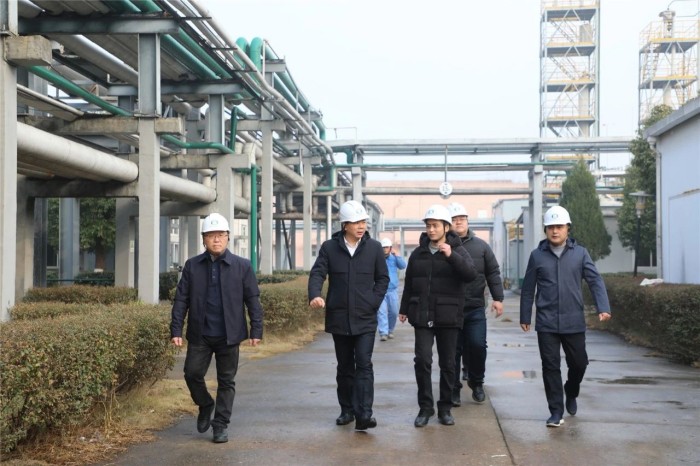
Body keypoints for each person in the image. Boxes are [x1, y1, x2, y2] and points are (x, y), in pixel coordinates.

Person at [170, 213, 263, 444]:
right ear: (204, 239)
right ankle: (205, 404)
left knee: (226, 381)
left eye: (220, 235)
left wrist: (256, 330)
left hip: (229, 335)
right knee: (192, 374)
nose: (216, 239)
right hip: (200, 333)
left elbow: (252, 299)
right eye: (211, 235)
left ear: (228, 237)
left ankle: (220, 425)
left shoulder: (242, 266)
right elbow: (181, 299)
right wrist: (176, 330)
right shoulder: (192, 266)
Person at [519, 205, 611, 428]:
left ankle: (571, 389)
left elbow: (595, 280)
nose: (555, 231)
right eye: (551, 227)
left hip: (573, 320)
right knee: (550, 366)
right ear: (545, 230)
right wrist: (525, 316)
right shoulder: (537, 256)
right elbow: (528, 288)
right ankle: (555, 411)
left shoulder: (580, 254)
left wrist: (603, 306)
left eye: (559, 226)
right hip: (547, 322)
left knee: (579, 363)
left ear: (568, 228)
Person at [308, 200, 389, 431]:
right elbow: (318, 273)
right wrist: (315, 294)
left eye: (363, 222)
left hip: (365, 317)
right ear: (345, 225)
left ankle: (364, 414)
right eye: (356, 222)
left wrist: (373, 302)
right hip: (339, 317)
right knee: (344, 367)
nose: (361, 226)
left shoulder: (374, 248)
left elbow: (383, 279)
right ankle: (347, 410)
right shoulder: (329, 248)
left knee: (364, 364)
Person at [398, 204, 477, 427]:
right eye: (428, 226)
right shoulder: (418, 253)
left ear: (446, 227)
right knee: (422, 360)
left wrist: (451, 256)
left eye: (435, 226)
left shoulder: (458, 250)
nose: (431, 230)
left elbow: (470, 274)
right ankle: (425, 408)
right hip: (422, 314)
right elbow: (410, 283)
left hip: (448, 315)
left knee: (448, 363)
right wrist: (404, 309)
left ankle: (445, 408)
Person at [447, 202, 504, 407]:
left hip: (475, 307)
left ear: (468, 221)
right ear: (448, 223)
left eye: (462, 218)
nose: (459, 222)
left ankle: (477, 382)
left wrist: (498, 298)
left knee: (478, 346)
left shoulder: (481, 247)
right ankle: (453, 388)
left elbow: (493, 272)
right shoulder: (443, 247)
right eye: (454, 219)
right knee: (453, 351)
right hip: (450, 309)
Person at [377, 238, 407, 341]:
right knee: (381, 312)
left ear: (390, 248)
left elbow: (403, 266)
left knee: (394, 312)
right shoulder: (377, 258)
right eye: (383, 247)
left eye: (386, 247)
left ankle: (390, 330)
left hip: (392, 290)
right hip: (380, 290)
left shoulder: (394, 258)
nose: (384, 249)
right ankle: (383, 333)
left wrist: (397, 255)